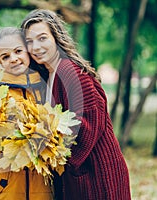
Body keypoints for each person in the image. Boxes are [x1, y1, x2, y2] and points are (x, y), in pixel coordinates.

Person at [21, 9, 131, 200]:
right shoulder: (51, 76)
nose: (36, 47)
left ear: (56, 37)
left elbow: (87, 124)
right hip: (79, 176)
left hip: (97, 176)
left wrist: (54, 155)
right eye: (29, 42)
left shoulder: (70, 71)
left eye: (42, 38)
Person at [0, 27, 53, 200]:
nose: (14, 59)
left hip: (39, 185)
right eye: (5, 56)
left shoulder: (45, 86)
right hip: (3, 184)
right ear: (0, 62)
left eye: (18, 51)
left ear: (28, 51)